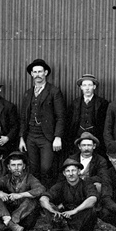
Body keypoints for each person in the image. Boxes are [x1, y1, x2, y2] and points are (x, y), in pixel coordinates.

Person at [19, 59, 67, 188]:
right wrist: (22, 138)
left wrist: (57, 137)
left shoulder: (54, 91)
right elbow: (23, 117)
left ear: (45, 73)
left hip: (47, 137)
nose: (37, 75)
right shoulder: (28, 93)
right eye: (35, 72)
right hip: (30, 136)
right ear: (31, 74)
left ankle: (47, 194)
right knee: (33, 169)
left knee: (46, 168)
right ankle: (35, 194)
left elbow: (61, 116)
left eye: (40, 71)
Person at [0, 151, 46, 231]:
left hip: (25, 218)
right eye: (13, 165)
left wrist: (20, 195)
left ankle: (6, 225)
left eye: (19, 165)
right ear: (9, 167)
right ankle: (10, 223)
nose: (16, 168)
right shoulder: (6, 178)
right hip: (9, 214)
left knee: (33, 199)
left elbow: (41, 189)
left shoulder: (30, 178)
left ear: (24, 166)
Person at [39, 158, 99, 231]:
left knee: (90, 209)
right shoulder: (60, 185)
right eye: (68, 171)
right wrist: (52, 210)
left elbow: (93, 199)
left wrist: (74, 211)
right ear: (64, 173)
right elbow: (43, 199)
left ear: (79, 172)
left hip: (81, 220)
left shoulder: (86, 184)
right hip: (65, 218)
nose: (71, 174)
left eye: (73, 170)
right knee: (48, 205)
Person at [66, 74, 109, 154]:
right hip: (78, 137)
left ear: (94, 87)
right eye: (84, 85)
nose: (87, 88)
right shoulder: (75, 103)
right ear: (81, 87)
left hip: (96, 138)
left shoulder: (103, 103)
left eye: (90, 85)